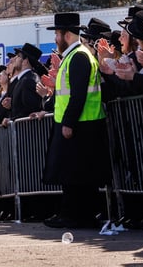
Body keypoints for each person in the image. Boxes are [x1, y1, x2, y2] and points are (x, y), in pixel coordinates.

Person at [42, 12, 109, 229]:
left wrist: (69, 123)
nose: (55, 39)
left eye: (57, 34)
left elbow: (78, 94)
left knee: (77, 175)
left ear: (67, 34)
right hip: (80, 122)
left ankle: (75, 214)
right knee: (74, 174)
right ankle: (76, 214)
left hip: (82, 123)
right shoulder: (74, 56)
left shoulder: (79, 56)